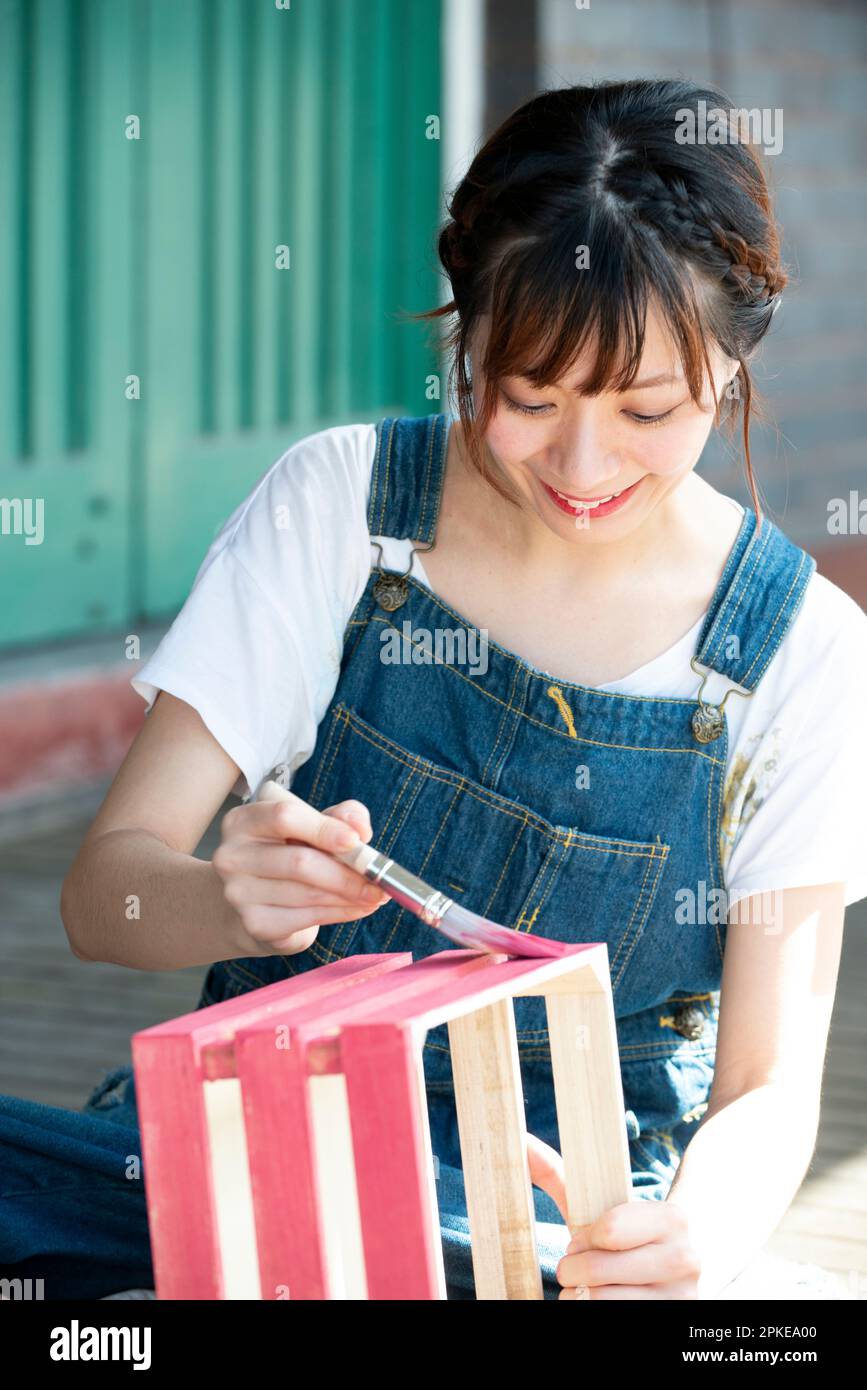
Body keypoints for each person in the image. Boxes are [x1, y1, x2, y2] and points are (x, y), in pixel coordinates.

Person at [4, 78, 866, 1301]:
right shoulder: (344, 510)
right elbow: (104, 901)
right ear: (467, 333)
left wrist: (702, 1238)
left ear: (732, 363)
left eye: (646, 409)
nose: (582, 466)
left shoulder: (799, 651)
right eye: (528, 398)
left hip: (554, 1223)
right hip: (253, 1157)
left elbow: (767, 1090)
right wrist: (227, 901)